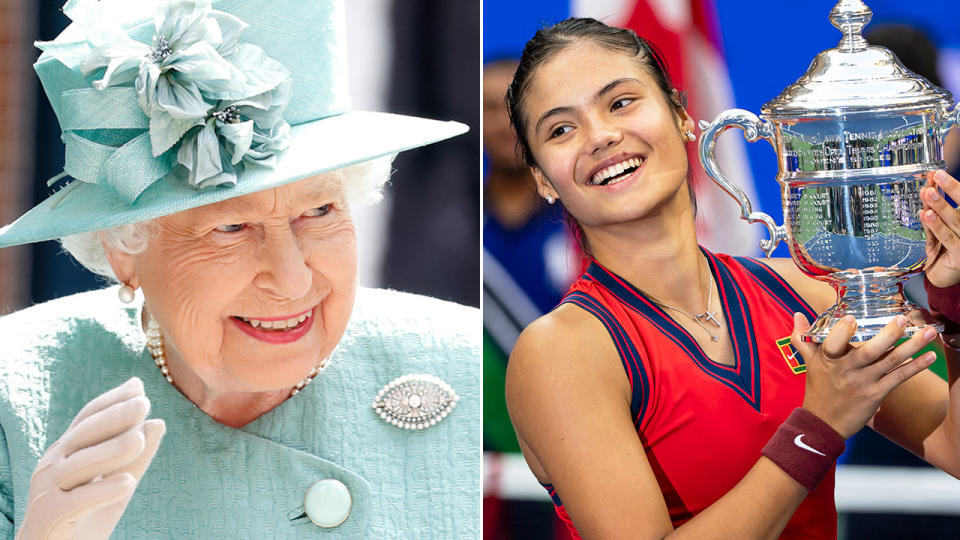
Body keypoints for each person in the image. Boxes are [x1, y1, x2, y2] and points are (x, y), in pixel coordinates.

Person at [0, 0, 479, 537]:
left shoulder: (474, 364)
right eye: (230, 228)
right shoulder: (14, 393)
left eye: (319, 210)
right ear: (123, 251)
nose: (293, 279)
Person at [503, 18, 960, 539]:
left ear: (681, 116)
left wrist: (955, 300)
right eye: (561, 129)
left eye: (621, 102)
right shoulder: (560, 352)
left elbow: (954, 445)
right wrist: (819, 428)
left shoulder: (806, 293)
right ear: (543, 179)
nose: (602, 135)